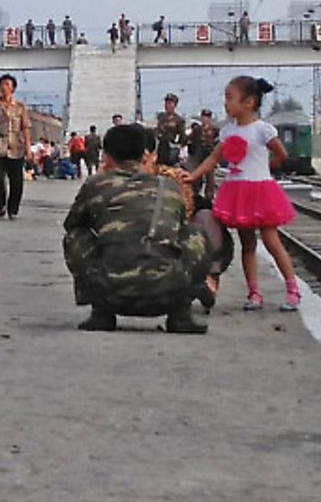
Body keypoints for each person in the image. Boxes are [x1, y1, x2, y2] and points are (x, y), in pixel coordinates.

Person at [65, 124, 211, 335]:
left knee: (75, 236)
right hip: (168, 293)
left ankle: (100, 312)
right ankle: (181, 314)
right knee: (196, 233)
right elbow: (179, 228)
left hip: (111, 293)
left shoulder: (96, 184)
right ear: (145, 155)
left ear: (106, 157)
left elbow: (72, 224)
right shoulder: (169, 187)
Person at [178, 76, 302, 312]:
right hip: (238, 193)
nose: (225, 103)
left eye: (229, 98)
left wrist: (266, 170)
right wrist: (193, 177)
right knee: (248, 245)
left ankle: (292, 289)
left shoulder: (263, 130)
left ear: (249, 102)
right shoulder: (227, 132)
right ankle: (254, 292)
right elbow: (213, 159)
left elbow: (281, 153)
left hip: (260, 191)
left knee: (271, 241)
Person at [0, 73, 32, 220]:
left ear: (13, 89)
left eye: (7, 85)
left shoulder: (21, 108)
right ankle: (1, 203)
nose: (4, 88)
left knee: (17, 182)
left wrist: (28, 148)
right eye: (2, 85)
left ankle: (13, 209)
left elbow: (26, 128)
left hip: (16, 148)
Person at [185, 108, 220, 199]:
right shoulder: (197, 129)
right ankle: (196, 194)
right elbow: (189, 139)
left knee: (210, 178)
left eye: (207, 117)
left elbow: (218, 141)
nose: (205, 119)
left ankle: (209, 196)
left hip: (209, 156)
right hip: (199, 156)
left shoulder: (214, 129)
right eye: (204, 117)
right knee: (197, 177)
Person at [153, 92, 186, 167]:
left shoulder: (178, 120)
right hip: (161, 147)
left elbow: (182, 136)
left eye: (170, 103)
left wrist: (180, 148)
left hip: (172, 148)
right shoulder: (161, 117)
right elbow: (157, 131)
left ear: (175, 105)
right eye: (166, 103)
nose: (167, 105)